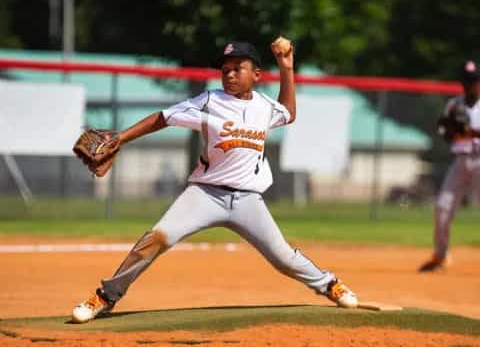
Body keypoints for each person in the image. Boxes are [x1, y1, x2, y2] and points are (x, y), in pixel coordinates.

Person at [72, 41, 357, 323]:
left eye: (237, 68)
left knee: (283, 257)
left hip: (247, 200)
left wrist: (286, 67)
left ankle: (329, 284)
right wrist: (121, 137)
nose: (230, 74)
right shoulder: (209, 101)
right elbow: (163, 118)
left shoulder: (265, 107)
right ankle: (107, 296)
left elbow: (289, 112)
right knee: (158, 237)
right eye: (225, 70)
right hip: (205, 195)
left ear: (256, 75)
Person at [419, 60, 480, 272]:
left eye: (473, 80)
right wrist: (452, 131)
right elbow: (443, 130)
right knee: (442, 208)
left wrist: (469, 131)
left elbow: (469, 131)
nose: (469, 84)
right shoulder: (455, 104)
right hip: (461, 161)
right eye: (466, 80)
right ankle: (441, 255)